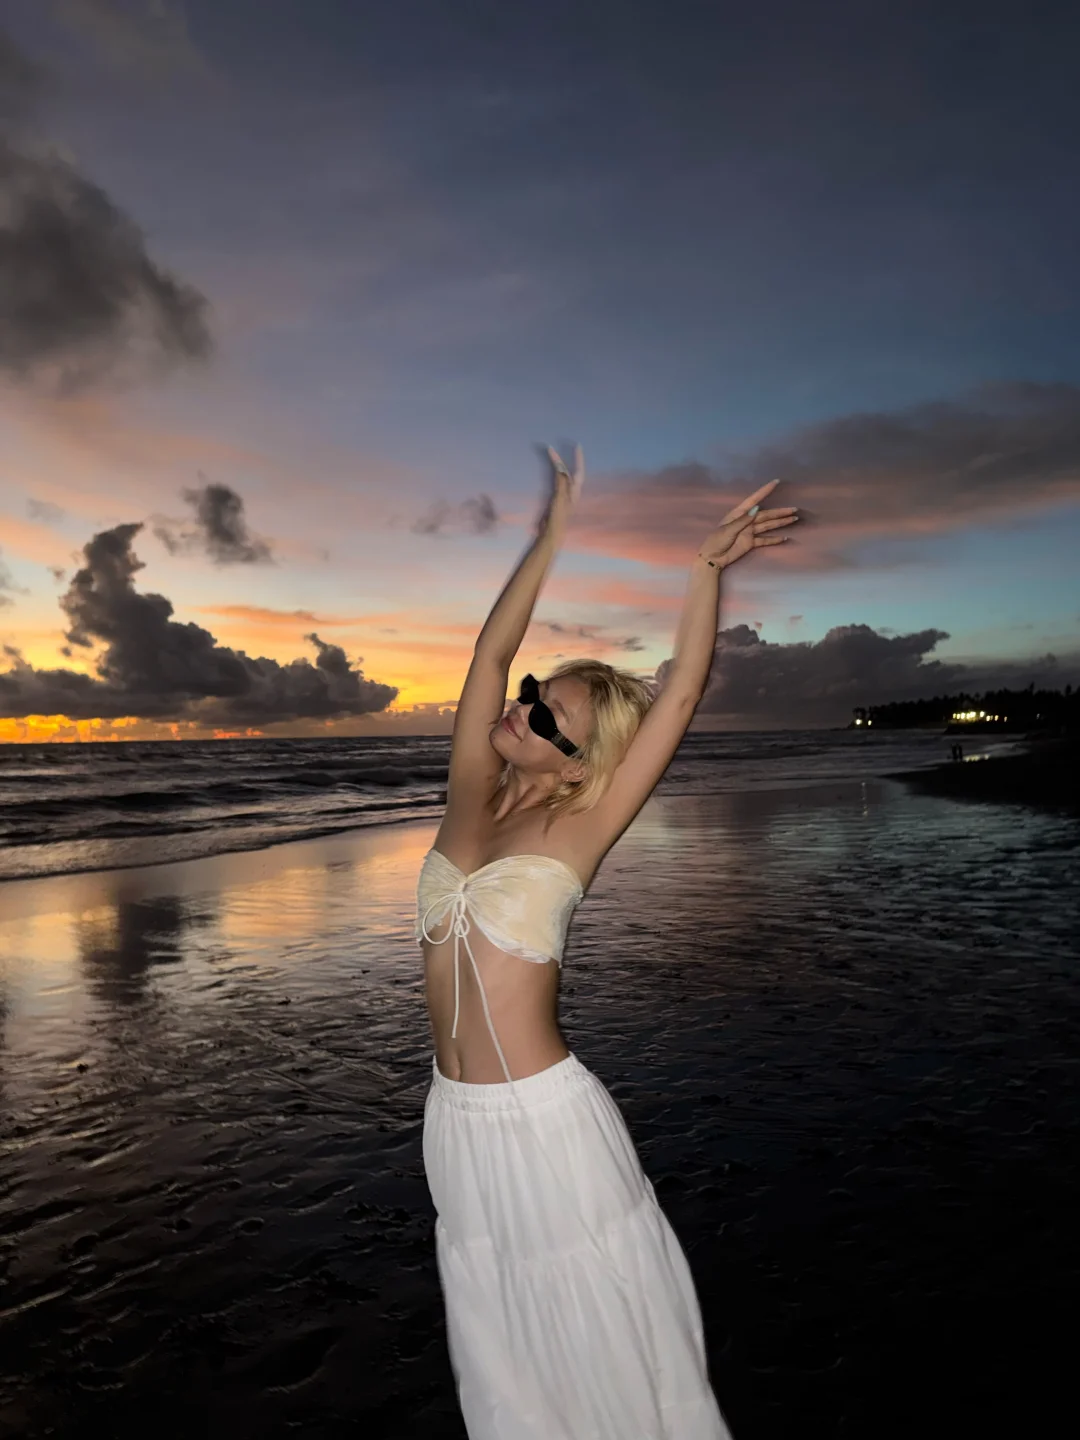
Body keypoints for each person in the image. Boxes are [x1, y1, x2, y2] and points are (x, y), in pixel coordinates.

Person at [417, 444, 798, 1439]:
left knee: (605, 1351)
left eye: (548, 715)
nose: (520, 706)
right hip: (453, 1125)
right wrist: (552, 533)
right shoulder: (469, 803)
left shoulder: (581, 828)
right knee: (506, 1362)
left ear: (582, 765)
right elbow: (487, 658)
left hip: (547, 1125)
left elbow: (680, 697)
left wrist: (705, 571)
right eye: (534, 692)